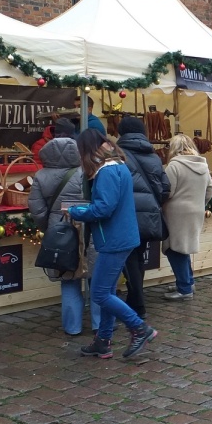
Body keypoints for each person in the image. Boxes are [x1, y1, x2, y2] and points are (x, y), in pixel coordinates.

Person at [68, 129, 157, 359]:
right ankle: (103, 341)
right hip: (122, 237)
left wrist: (75, 211)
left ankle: (139, 328)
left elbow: (103, 209)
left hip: (113, 240)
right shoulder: (119, 166)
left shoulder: (106, 173)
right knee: (107, 291)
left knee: (99, 294)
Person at [28, 126, 99, 336]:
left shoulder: (40, 176)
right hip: (89, 229)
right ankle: (99, 324)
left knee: (68, 279)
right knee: (96, 278)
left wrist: (48, 226)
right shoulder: (87, 172)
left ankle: (73, 327)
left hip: (58, 231)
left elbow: (37, 209)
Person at [115, 116, 171, 318]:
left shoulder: (118, 155)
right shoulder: (154, 156)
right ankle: (134, 299)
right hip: (149, 215)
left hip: (127, 215)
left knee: (130, 259)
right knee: (138, 258)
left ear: (121, 133)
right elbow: (166, 188)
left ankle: (138, 305)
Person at [162, 134, 212, 300]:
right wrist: (199, 203)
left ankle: (184, 288)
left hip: (176, 213)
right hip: (195, 211)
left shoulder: (174, 166)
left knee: (174, 249)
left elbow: (167, 192)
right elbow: (210, 190)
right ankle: (186, 282)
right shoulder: (203, 165)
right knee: (183, 248)